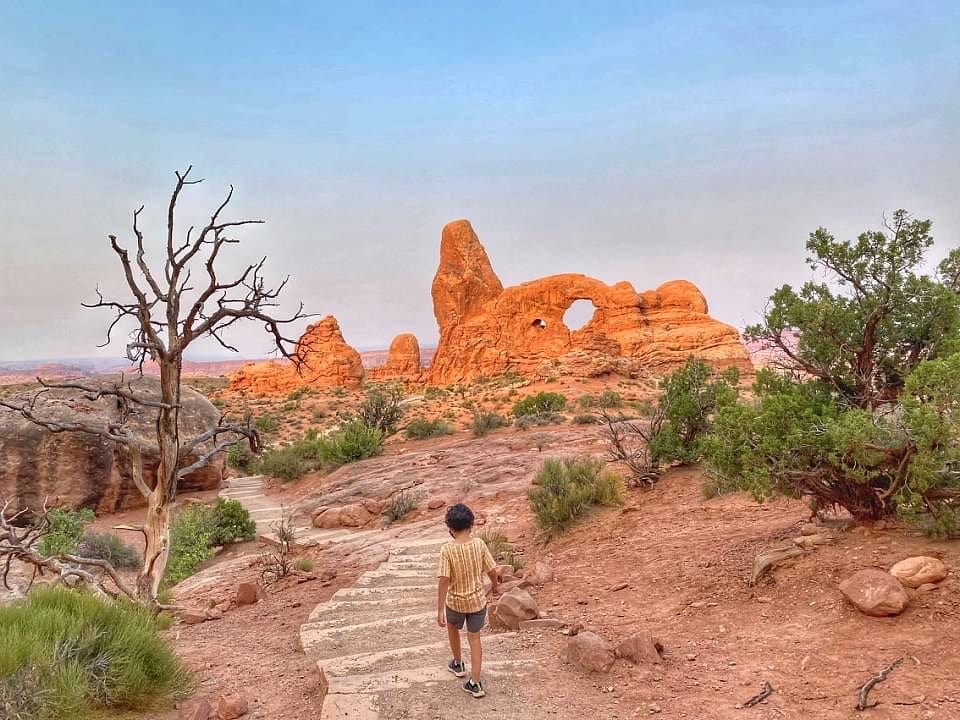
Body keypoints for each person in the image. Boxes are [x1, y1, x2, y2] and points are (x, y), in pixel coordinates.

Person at [436, 503, 499, 698]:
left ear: (450, 529)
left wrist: (439, 609)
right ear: (471, 525)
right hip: (477, 602)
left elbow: (444, 580)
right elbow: (491, 570)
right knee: (475, 638)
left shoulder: (447, 550)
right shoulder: (479, 544)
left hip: (455, 602)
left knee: (453, 629)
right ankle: (475, 683)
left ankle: (458, 663)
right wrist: (495, 586)